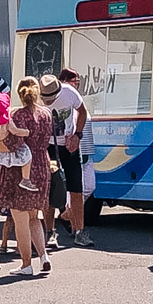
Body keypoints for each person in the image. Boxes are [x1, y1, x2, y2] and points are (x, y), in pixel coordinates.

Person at [0, 77, 53, 275]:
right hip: (41, 165)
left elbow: (12, 144)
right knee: (34, 216)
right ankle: (43, 256)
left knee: (20, 220)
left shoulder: (16, 115)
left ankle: (27, 264)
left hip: (19, 170)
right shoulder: (46, 114)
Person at [39, 74, 93, 247]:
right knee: (50, 188)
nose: (47, 102)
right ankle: (49, 231)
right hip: (47, 146)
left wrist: (77, 135)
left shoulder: (69, 92)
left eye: (50, 98)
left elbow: (82, 111)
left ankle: (80, 231)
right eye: (44, 98)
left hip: (68, 144)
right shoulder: (37, 97)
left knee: (76, 188)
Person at [59, 69, 96, 222]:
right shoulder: (67, 106)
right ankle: (74, 221)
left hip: (87, 150)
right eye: (73, 81)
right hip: (75, 151)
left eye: (78, 81)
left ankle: (68, 213)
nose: (76, 84)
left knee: (90, 187)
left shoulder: (78, 102)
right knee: (75, 188)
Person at [0, 92, 38, 191]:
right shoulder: (6, 121)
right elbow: (15, 131)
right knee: (27, 155)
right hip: (8, 144)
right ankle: (25, 179)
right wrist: (26, 132)